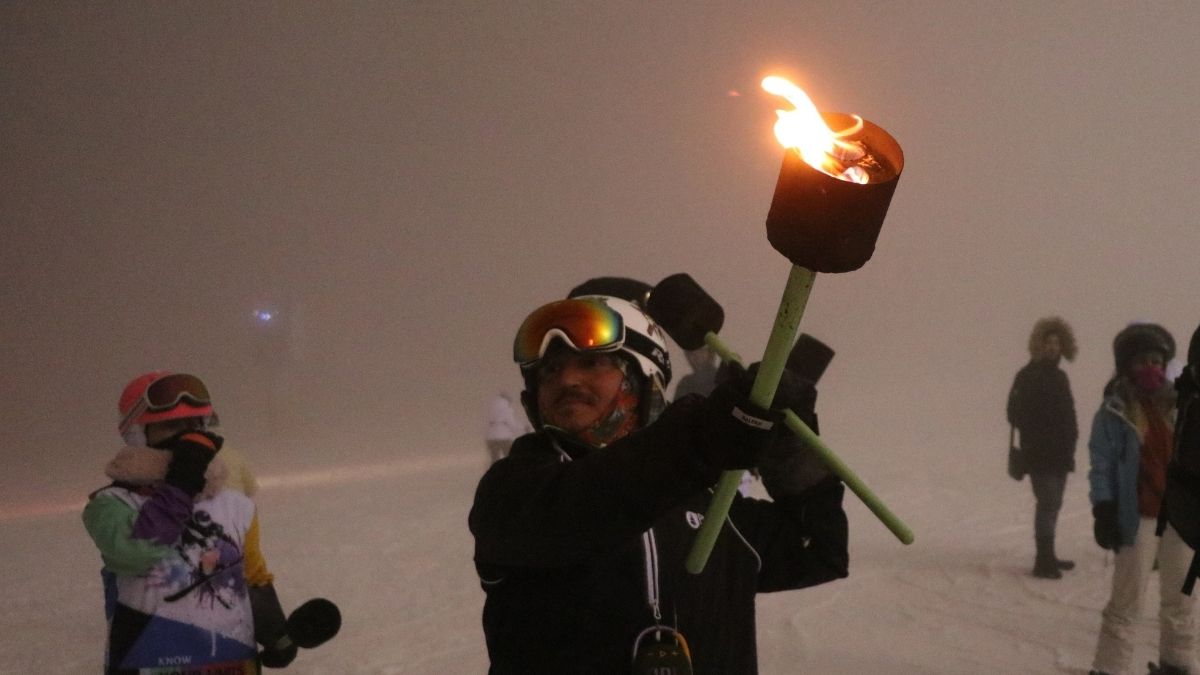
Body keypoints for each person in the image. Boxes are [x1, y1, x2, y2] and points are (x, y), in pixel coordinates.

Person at [469, 294, 849, 674]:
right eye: (549, 371)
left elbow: (816, 548)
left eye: (591, 363)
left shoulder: (716, 511)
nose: (567, 379)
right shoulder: (514, 494)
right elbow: (585, 506)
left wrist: (788, 446)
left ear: (643, 377)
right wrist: (704, 437)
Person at [83, 371, 299, 673]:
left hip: (231, 664)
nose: (189, 437)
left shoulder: (235, 504)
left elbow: (250, 573)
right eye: (172, 425)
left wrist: (274, 631)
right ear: (137, 434)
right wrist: (182, 480)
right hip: (149, 664)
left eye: (196, 425)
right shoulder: (111, 504)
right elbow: (137, 552)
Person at [1088, 324, 1197, 675]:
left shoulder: (1182, 405)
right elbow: (1101, 465)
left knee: (1181, 599)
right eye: (1141, 362)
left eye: (1156, 360)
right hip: (1137, 517)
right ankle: (1111, 668)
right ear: (1126, 366)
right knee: (1126, 602)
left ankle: (1178, 663)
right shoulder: (1114, 412)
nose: (1150, 368)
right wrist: (1103, 507)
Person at [1006, 316, 1079, 579]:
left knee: (1054, 503)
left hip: (1060, 453)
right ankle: (1043, 560)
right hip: (1039, 453)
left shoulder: (1060, 376)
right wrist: (1038, 430)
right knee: (1048, 502)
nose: (1053, 347)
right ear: (1038, 345)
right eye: (1048, 342)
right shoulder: (1026, 376)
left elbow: (1068, 412)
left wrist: (1072, 438)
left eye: (1057, 343)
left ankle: (1049, 555)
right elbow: (1013, 413)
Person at [485, 392, 528, 463]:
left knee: (494, 458)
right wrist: (523, 428)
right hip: (503, 437)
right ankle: (510, 472)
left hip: (491, 437)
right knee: (509, 457)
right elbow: (513, 424)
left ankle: (495, 472)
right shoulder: (507, 409)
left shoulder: (491, 409)